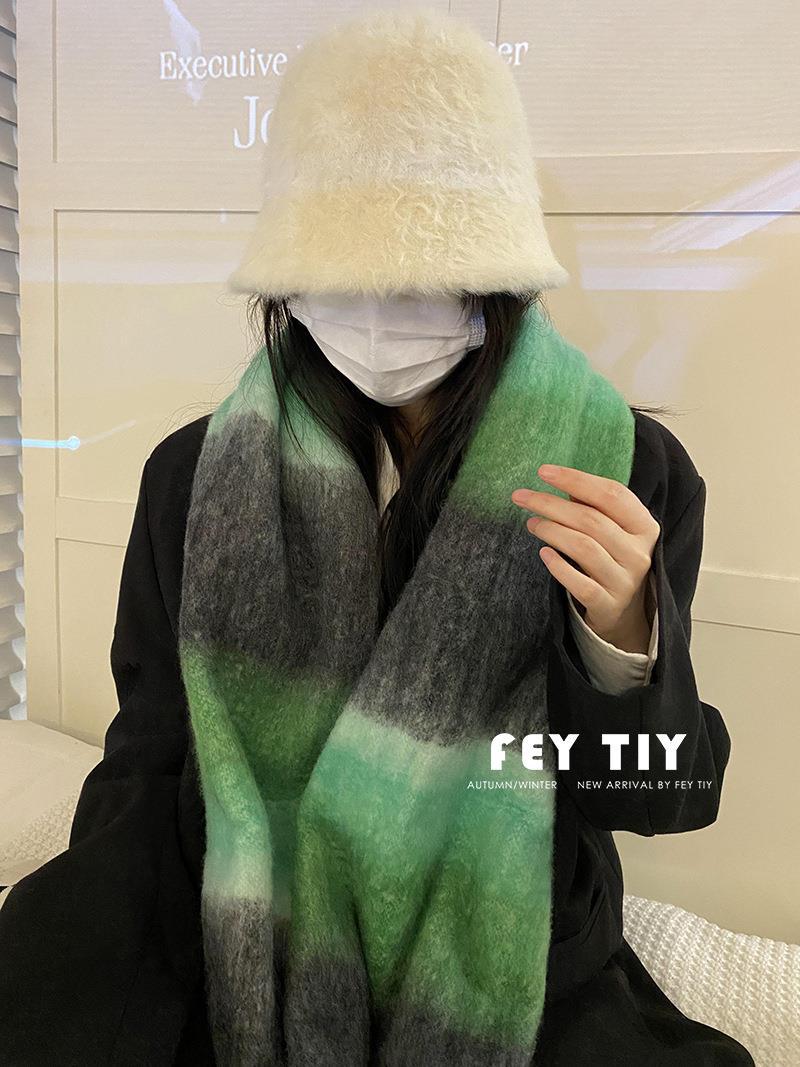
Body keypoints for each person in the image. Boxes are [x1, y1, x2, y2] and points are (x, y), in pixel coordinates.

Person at [0, 8, 755, 1066]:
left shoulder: (621, 471)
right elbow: (154, 753)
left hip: (509, 950)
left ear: (493, 271)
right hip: (246, 924)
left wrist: (623, 644)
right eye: (338, 264)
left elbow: (656, 797)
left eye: (419, 267)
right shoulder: (194, 477)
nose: (375, 306)